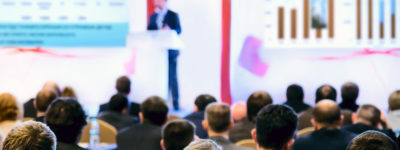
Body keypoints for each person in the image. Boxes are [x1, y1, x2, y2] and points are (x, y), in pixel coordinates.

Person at [148, 0, 182, 110]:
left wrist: (169, 30)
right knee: (159, 77)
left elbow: (178, 30)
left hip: (170, 52)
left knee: (172, 77)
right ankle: (161, 102)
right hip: (157, 53)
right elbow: (149, 32)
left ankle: (175, 102)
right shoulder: (153, 16)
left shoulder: (172, 15)